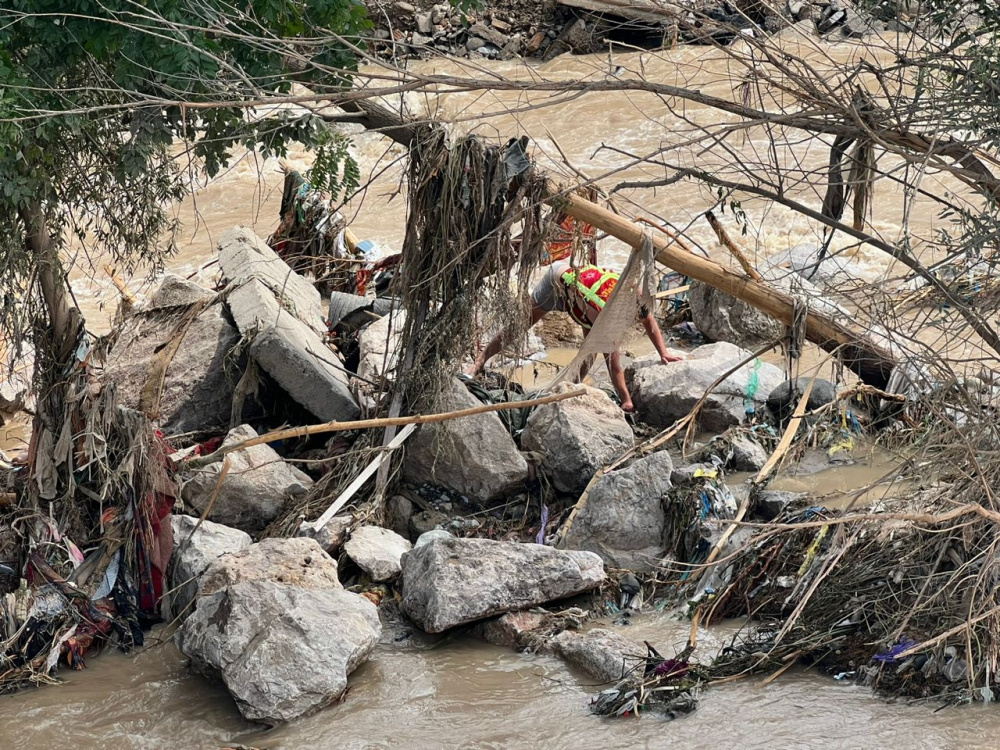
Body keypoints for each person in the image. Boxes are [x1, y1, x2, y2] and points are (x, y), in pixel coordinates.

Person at [469, 260, 684, 411]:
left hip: (580, 299)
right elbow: (614, 364)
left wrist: (663, 353)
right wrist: (627, 400)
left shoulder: (635, 296)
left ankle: (571, 389)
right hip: (557, 283)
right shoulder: (604, 312)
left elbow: (650, 323)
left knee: (588, 352)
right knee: (520, 325)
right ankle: (480, 360)